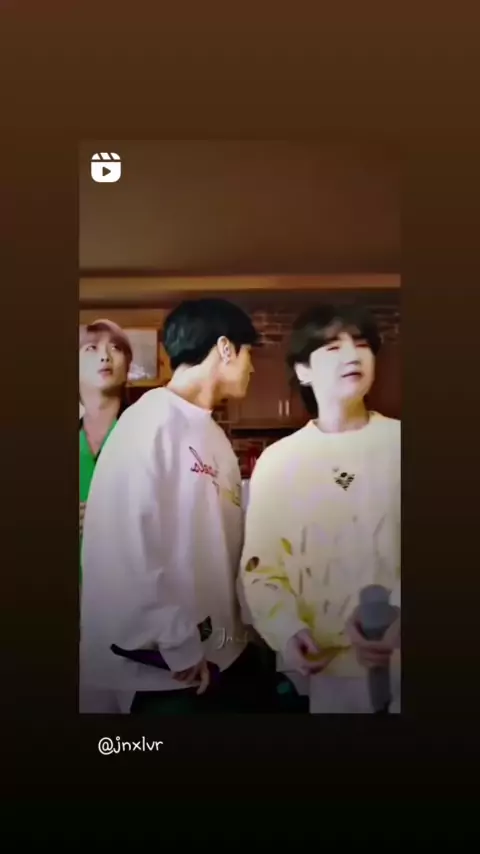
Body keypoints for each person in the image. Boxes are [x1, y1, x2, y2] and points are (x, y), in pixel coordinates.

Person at [80, 298, 288, 714]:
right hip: (166, 671)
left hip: (219, 655)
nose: (251, 368)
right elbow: (125, 549)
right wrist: (178, 646)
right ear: (225, 348)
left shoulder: (214, 436)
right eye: (249, 354)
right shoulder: (148, 423)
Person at [238, 302, 401, 713]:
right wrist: (288, 631)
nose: (352, 355)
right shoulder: (279, 462)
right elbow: (262, 569)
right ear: (303, 371)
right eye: (332, 347)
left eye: (361, 344)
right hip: (329, 672)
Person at [79, 319, 132, 569]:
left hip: (127, 580)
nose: (105, 357)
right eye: (92, 348)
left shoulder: (145, 433)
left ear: (128, 367)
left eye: (115, 348)